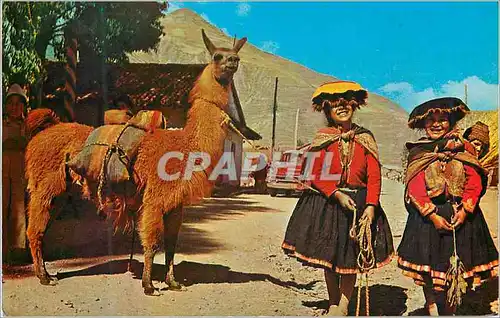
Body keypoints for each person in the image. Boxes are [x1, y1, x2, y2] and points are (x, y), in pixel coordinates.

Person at [282, 81, 394, 316]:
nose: (341, 108)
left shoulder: (365, 138)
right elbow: (313, 173)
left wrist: (371, 206)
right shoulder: (323, 138)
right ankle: (333, 301)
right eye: (335, 106)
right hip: (328, 202)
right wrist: (335, 192)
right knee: (330, 257)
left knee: (350, 259)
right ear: (327, 111)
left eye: (346, 103)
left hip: (359, 204)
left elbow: (374, 176)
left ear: (354, 105)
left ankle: (343, 306)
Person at [397, 97, 498, 315]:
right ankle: (432, 305)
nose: (436, 124)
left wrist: (466, 209)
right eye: (431, 120)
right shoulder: (419, 151)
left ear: (451, 121)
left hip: (462, 217)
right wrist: (431, 213)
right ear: (423, 124)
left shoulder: (465, 148)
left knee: (457, 264)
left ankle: (451, 307)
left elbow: (475, 180)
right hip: (427, 218)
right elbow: (414, 185)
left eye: (442, 119)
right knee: (428, 266)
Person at [2, 83, 30, 264]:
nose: (14, 107)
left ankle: (18, 249)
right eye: (11, 103)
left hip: (20, 171)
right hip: (2, 170)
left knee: (19, 209)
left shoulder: (27, 126)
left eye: (18, 104)